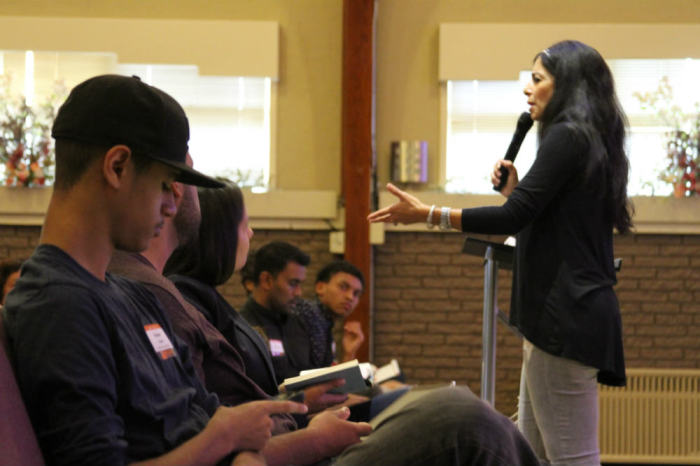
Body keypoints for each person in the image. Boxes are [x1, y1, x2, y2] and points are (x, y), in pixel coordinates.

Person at [2, 74, 308, 466]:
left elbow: (211, 415)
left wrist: (235, 444)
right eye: (165, 185)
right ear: (117, 166)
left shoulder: (134, 295)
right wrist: (222, 441)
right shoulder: (60, 304)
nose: (171, 205)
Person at [369, 39, 632, 466]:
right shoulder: (589, 139)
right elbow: (549, 222)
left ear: (565, 85)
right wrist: (516, 190)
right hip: (567, 316)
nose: (528, 90)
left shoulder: (568, 136)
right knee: (531, 450)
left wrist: (427, 213)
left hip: (565, 317)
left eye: (537, 79)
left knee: (571, 458)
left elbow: (510, 218)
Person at [165, 179, 541, 466]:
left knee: (456, 402)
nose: (251, 234)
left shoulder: (204, 306)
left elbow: (245, 402)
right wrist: (306, 430)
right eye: (245, 225)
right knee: (465, 418)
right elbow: (220, 434)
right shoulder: (179, 311)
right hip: (296, 446)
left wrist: (301, 401)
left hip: (300, 430)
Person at [238, 241, 319, 384]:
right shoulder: (242, 329)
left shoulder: (301, 323)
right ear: (267, 280)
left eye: (301, 284)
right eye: (293, 283)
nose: (299, 293)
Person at [289, 260, 366, 365]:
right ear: (320, 287)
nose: (350, 297)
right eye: (343, 287)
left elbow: (329, 377)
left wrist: (349, 352)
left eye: (356, 293)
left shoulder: (325, 321)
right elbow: (311, 378)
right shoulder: (308, 314)